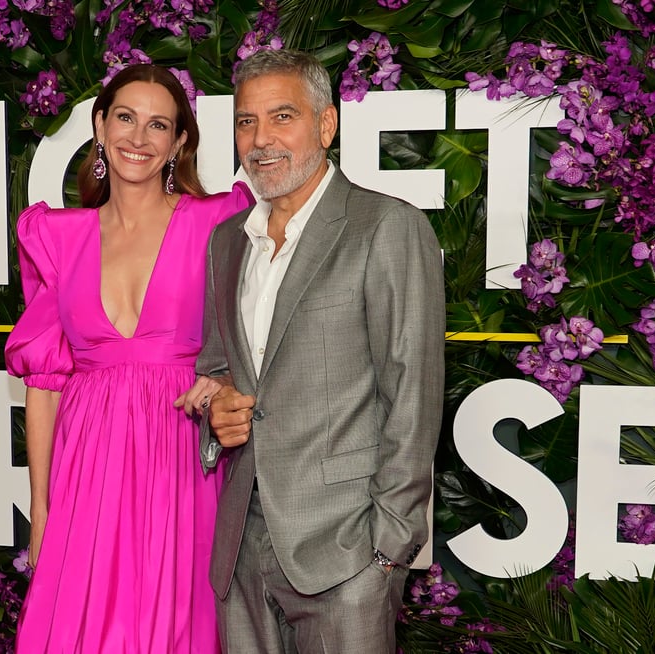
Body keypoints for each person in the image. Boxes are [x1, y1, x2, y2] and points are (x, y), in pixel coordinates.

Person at [195, 49, 445, 653]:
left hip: (347, 551)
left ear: (327, 124)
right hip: (244, 548)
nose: (260, 140)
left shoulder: (384, 226)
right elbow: (215, 368)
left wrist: (387, 549)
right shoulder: (229, 241)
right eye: (246, 121)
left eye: (282, 117)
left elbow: (413, 392)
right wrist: (215, 410)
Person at [5, 64, 253, 653]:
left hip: (182, 460)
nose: (138, 138)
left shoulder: (217, 221)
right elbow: (44, 383)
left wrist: (221, 382)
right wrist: (41, 514)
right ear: (99, 125)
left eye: (158, 125)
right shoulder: (55, 236)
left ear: (179, 142)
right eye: (125, 117)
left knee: (175, 627)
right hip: (87, 466)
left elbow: (255, 338)